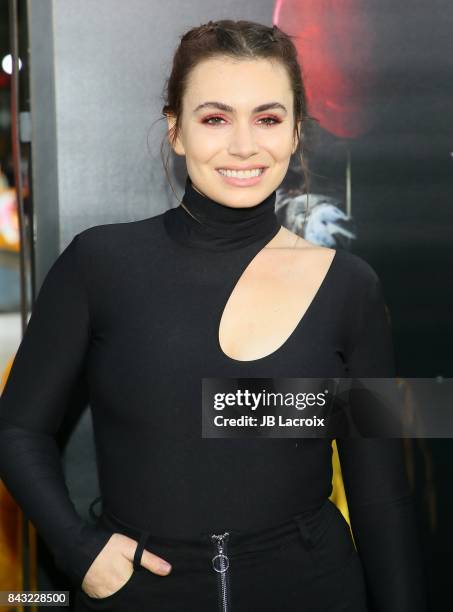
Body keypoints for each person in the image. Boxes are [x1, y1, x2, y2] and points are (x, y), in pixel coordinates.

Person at [0, 19, 427, 612]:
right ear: (176, 130)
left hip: (314, 590)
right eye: (216, 118)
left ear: (297, 132)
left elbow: (380, 492)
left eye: (269, 118)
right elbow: (17, 428)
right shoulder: (101, 264)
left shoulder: (350, 287)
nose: (244, 145)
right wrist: (79, 551)